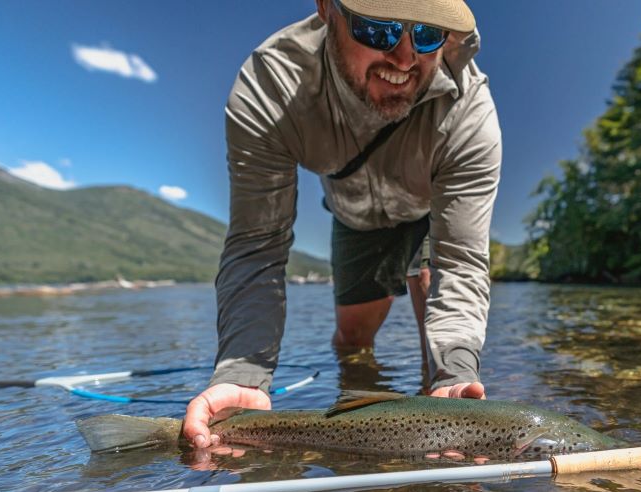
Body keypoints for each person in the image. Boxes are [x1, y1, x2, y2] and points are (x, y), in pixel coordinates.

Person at [183, 0, 502, 448]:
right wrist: (243, 375)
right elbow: (258, 247)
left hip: (430, 214)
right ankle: (352, 420)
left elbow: (461, 261)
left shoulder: (469, 110)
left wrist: (458, 372)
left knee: (441, 354)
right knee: (352, 341)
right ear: (326, 8)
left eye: (427, 33)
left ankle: (433, 446)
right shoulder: (271, 85)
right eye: (378, 28)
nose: (404, 58)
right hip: (354, 217)